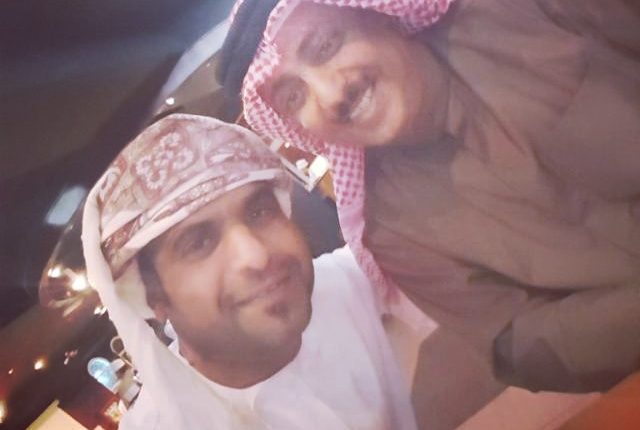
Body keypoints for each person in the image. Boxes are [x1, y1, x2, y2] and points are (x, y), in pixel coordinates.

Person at [216, 0, 640, 427]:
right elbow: (519, 342)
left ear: (380, 14)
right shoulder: (390, 233)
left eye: (326, 45)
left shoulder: (519, 12)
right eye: (294, 97)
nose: (331, 94)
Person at [81, 114, 422, 429]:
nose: (256, 256)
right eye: (199, 242)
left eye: (260, 211)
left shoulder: (370, 279)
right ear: (154, 297)